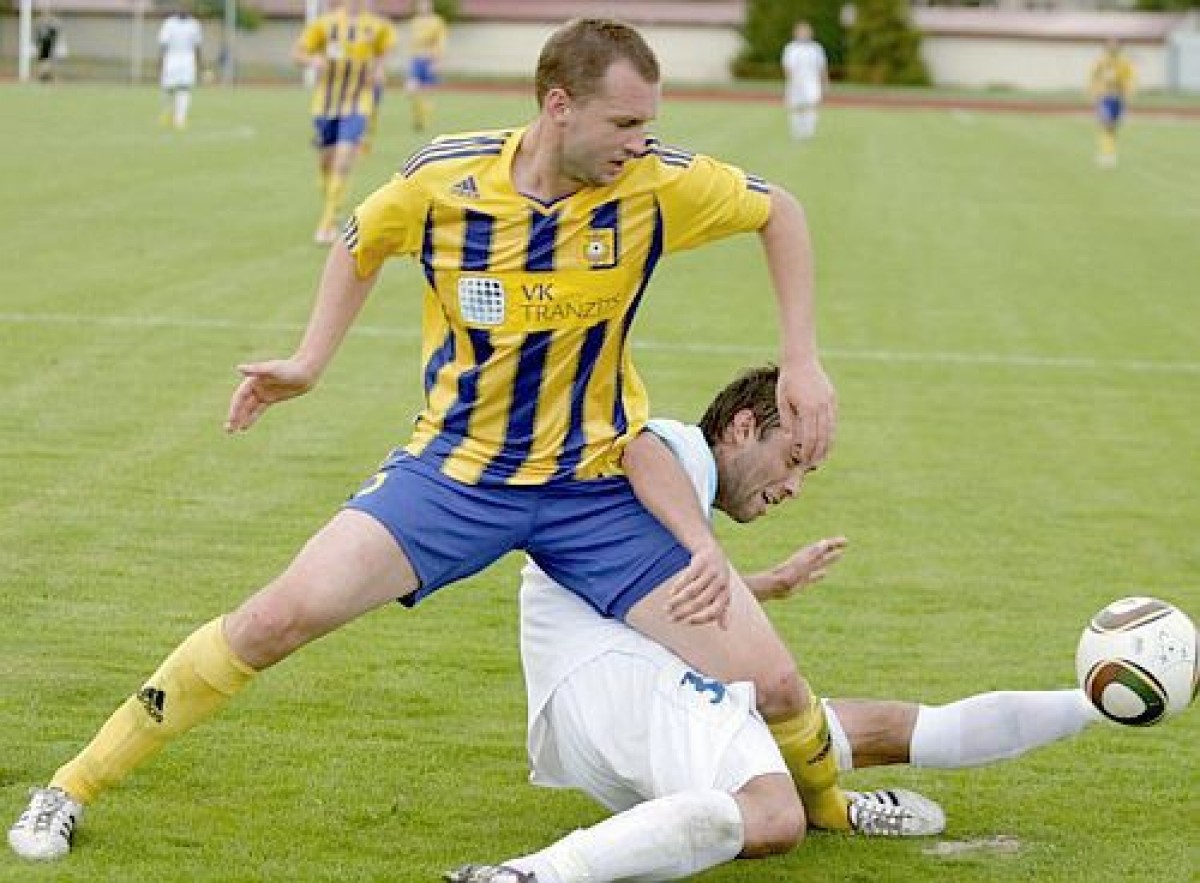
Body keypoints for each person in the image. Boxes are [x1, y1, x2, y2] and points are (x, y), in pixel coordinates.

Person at [7, 19, 842, 864]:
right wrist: (309, 361)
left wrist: (802, 359)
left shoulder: (655, 187)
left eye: (648, 123)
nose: (642, 141)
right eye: (625, 122)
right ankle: (69, 786)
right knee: (274, 617)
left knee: (775, 682)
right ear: (559, 106)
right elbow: (360, 240)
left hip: (596, 487)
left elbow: (781, 211)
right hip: (456, 476)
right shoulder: (446, 181)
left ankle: (838, 809)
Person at [446, 365, 1098, 882]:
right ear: (739, 428)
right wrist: (707, 548)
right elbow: (641, 448)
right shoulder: (679, 450)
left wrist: (764, 583)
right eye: (792, 459)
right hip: (612, 685)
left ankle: (1098, 703)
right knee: (777, 810)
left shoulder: (656, 519)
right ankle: (534, 874)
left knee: (869, 728)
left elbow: (658, 597)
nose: (794, 488)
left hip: (603, 693)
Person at [293, 0, 397, 244]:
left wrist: (379, 68)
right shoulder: (325, 24)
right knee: (326, 164)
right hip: (326, 104)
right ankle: (333, 206)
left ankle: (327, 222)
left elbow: (385, 50)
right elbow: (298, 53)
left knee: (342, 160)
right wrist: (312, 61)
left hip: (359, 102)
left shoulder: (377, 26)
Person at [1088, 38, 1135, 168]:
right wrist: (1094, 93)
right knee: (1106, 124)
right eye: (1110, 45)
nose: (1113, 48)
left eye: (1115, 46)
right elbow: (1093, 76)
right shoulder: (1101, 62)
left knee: (1113, 128)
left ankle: (1110, 153)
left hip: (1118, 98)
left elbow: (1129, 79)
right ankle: (1107, 155)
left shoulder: (1124, 63)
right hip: (1105, 97)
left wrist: (1127, 94)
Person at [158, 3, 203, 131]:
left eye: (186, 7)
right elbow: (163, 44)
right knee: (168, 88)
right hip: (171, 58)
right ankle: (167, 113)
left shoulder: (195, 25)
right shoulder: (169, 23)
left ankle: (180, 119)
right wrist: (160, 61)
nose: (183, 9)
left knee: (184, 87)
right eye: (181, 7)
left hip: (187, 59)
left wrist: (199, 63)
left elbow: (197, 46)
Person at [781, 20, 829, 141]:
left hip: (812, 82)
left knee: (811, 105)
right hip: (795, 82)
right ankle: (797, 133)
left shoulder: (816, 48)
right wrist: (792, 82)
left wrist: (825, 82)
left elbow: (822, 67)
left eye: (806, 31)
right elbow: (787, 67)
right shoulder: (791, 48)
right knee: (796, 107)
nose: (804, 34)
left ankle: (809, 132)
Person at [405, 0, 448, 133]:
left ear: (431, 6)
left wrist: (437, 62)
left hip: (430, 60)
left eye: (426, 4)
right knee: (411, 89)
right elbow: (412, 43)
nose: (423, 7)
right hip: (416, 60)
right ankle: (419, 116)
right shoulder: (414, 21)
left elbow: (441, 42)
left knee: (428, 93)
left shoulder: (437, 22)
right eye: (421, 4)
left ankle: (424, 121)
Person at [33, 7, 64, 82]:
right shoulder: (40, 25)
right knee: (43, 61)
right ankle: (43, 75)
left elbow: (57, 31)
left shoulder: (52, 25)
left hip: (50, 45)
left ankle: (48, 75)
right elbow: (38, 36)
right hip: (44, 46)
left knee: (50, 61)